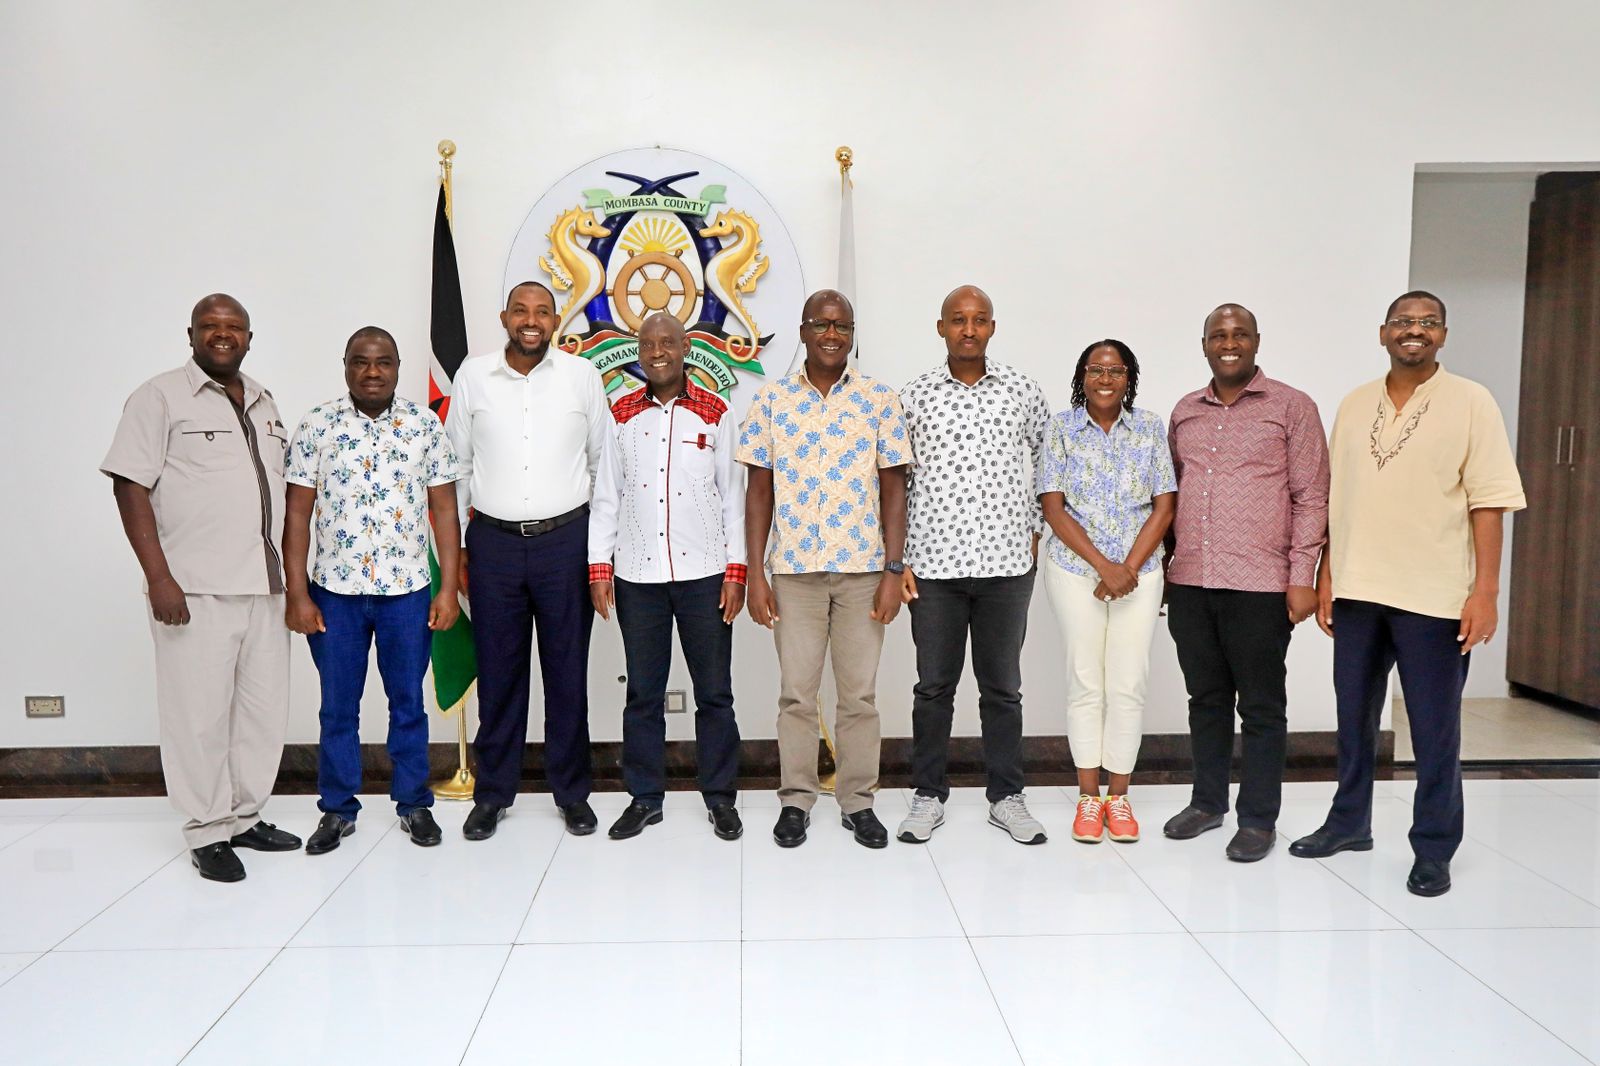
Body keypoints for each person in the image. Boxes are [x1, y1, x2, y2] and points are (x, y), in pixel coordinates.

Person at [1291, 291, 1525, 897]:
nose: (1413, 331)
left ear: (1443, 335)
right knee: (1353, 719)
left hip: (1436, 597)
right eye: (1402, 322)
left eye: (1427, 323)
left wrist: (1486, 592)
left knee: (1433, 730)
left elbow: (1490, 503)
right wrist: (1327, 574)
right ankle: (1349, 824)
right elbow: (1338, 499)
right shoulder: (1354, 403)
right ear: (1383, 333)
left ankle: (1434, 847)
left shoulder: (1472, 402)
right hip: (1358, 590)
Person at [100, 293, 302, 882]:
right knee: (198, 716)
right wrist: (159, 578)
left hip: (264, 585)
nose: (222, 334)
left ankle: (243, 816)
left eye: (233, 326)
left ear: (249, 338)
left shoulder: (264, 400)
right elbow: (129, 485)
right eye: (210, 326)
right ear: (190, 335)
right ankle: (207, 829)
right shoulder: (159, 397)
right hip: (194, 589)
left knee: (262, 714)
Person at [738, 288, 909, 849]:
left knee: (859, 697)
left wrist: (892, 570)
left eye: (842, 326)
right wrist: (757, 575)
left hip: (863, 572)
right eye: (821, 324)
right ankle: (796, 800)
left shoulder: (879, 399)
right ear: (803, 331)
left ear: (852, 334)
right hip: (794, 573)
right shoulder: (772, 400)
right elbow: (757, 492)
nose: (832, 334)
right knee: (796, 695)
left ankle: (858, 802)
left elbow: (894, 489)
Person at [282, 326, 462, 853]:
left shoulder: (424, 425)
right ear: (345, 366)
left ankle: (414, 805)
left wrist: (449, 589)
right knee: (338, 707)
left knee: (408, 703)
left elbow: (446, 511)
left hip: (407, 592)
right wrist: (297, 592)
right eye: (360, 361)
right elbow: (296, 515)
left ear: (398, 367)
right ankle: (338, 809)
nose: (372, 372)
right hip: (334, 594)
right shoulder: (317, 425)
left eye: (383, 362)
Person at [1161, 305, 1330, 862]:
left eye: (1239, 335)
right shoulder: (1185, 411)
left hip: (1261, 583)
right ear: (1204, 344)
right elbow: (1170, 496)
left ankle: (1258, 819)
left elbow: (1312, 496)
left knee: (1261, 707)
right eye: (1218, 335)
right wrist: (1166, 570)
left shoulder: (1292, 406)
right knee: (1205, 699)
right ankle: (1207, 803)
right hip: (1191, 580)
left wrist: (1301, 576)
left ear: (1256, 341)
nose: (1228, 343)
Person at [443, 282, 611, 840]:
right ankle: (492, 794)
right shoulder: (473, 377)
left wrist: (598, 555)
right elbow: (456, 468)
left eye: (542, 312)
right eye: (521, 311)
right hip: (493, 546)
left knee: (567, 674)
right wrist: (457, 552)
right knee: (499, 676)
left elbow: (602, 468)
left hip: (566, 543)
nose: (531, 320)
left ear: (556, 321)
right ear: (504, 318)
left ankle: (573, 793)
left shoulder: (582, 377)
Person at [896, 285, 1052, 846]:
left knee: (1002, 689)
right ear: (941, 327)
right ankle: (927, 796)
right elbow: (894, 480)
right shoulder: (914, 396)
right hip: (932, 567)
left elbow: (1048, 461)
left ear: (992, 327)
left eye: (979, 319)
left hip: (1006, 567)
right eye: (958, 320)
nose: (969, 329)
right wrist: (898, 559)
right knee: (933, 688)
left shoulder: (1022, 391)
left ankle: (1007, 798)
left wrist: (1035, 527)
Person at [588, 313, 747, 842]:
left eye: (668, 343)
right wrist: (599, 567)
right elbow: (607, 496)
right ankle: (644, 797)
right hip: (638, 576)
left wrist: (737, 571)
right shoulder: (620, 413)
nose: (658, 352)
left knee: (714, 692)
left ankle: (720, 797)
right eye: (648, 344)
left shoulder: (716, 411)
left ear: (686, 348)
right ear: (638, 351)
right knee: (643, 693)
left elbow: (734, 498)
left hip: (705, 574)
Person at [1037, 339, 1176, 845]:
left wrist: (1128, 569)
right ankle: (1087, 798)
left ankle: (1119, 797)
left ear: (1128, 378)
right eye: (1096, 369)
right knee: (1085, 682)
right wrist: (1103, 566)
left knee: (1127, 683)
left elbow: (1164, 505)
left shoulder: (1150, 428)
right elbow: (1053, 507)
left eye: (1116, 371)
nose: (1105, 378)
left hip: (1140, 573)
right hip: (1075, 571)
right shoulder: (1061, 428)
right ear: (1082, 376)